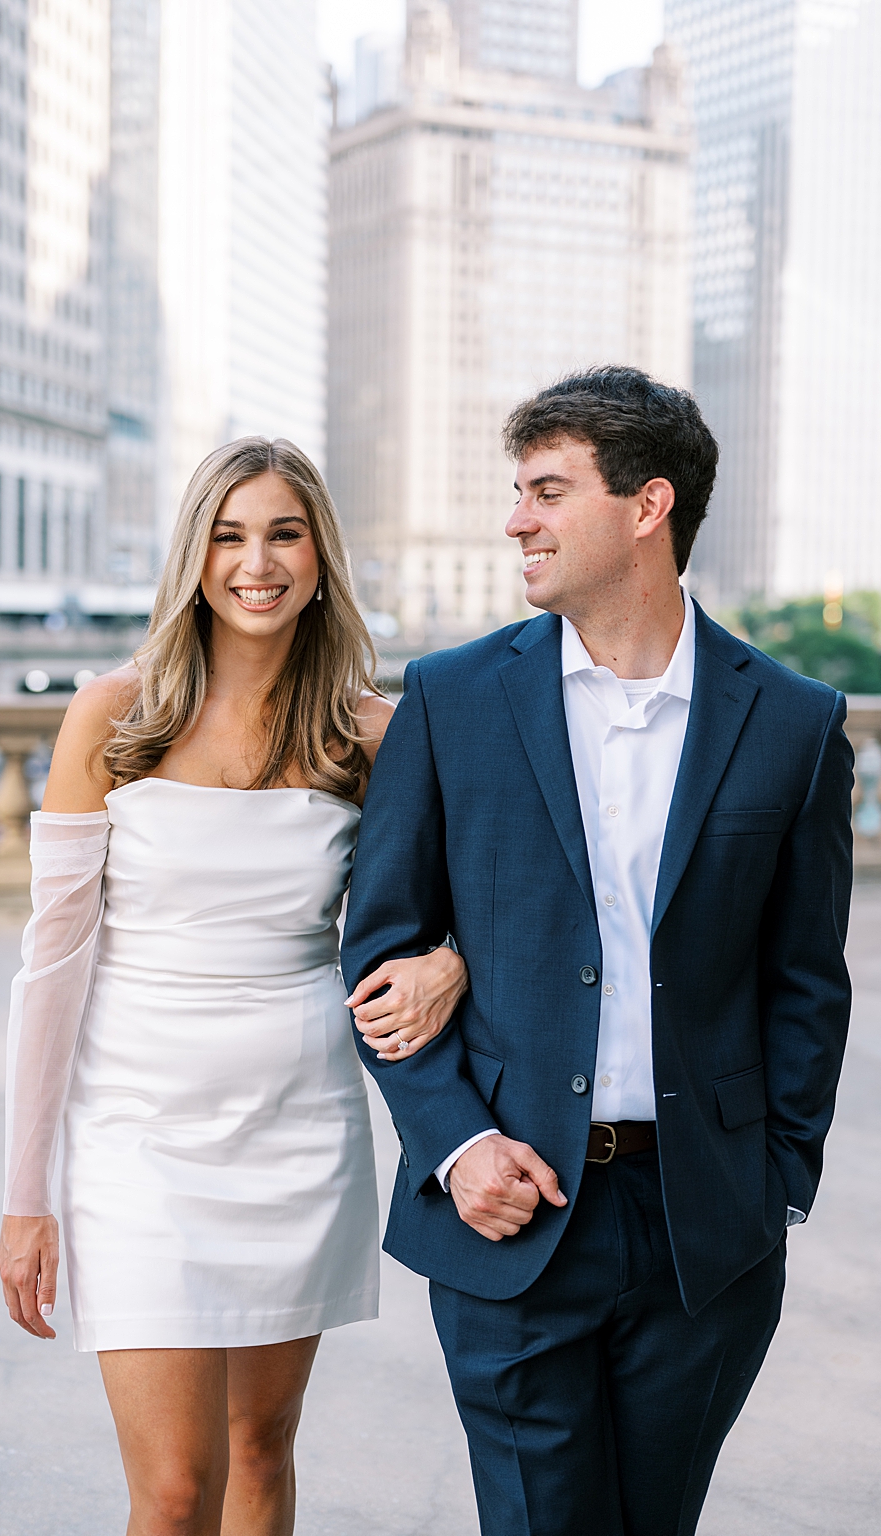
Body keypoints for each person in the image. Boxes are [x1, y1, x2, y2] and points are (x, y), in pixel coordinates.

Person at [342, 366, 854, 1536]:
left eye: (545, 490)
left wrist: (774, 1181)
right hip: (510, 1209)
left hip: (702, 1227)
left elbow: (804, 984)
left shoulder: (792, 722)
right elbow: (378, 954)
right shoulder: (451, 699)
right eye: (517, 491)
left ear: (645, 506)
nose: (514, 519)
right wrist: (454, 1144)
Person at [0, 436, 472, 1536]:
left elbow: (479, 905)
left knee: (260, 1450)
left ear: (319, 557)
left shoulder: (373, 734)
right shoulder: (110, 716)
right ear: (193, 557)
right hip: (134, 1135)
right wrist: (26, 1197)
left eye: (283, 535)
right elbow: (51, 965)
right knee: (172, 1494)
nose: (256, 564)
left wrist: (449, 963)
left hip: (299, 1127)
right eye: (228, 536)